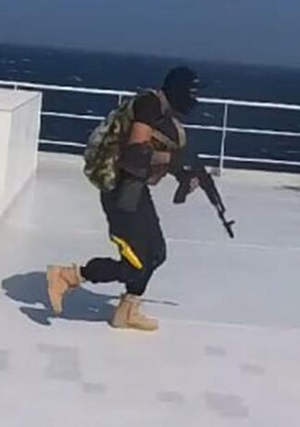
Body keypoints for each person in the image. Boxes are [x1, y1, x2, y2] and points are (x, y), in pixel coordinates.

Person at [46, 66, 201, 332]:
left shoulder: (162, 114)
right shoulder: (149, 105)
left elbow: (156, 152)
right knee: (137, 264)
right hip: (120, 190)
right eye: (192, 93)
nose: (194, 100)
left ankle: (127, 311)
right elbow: (135, 153)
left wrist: (184, 174)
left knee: (156, 254)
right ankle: (68, 276)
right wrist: (173, 159)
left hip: (134, 188)